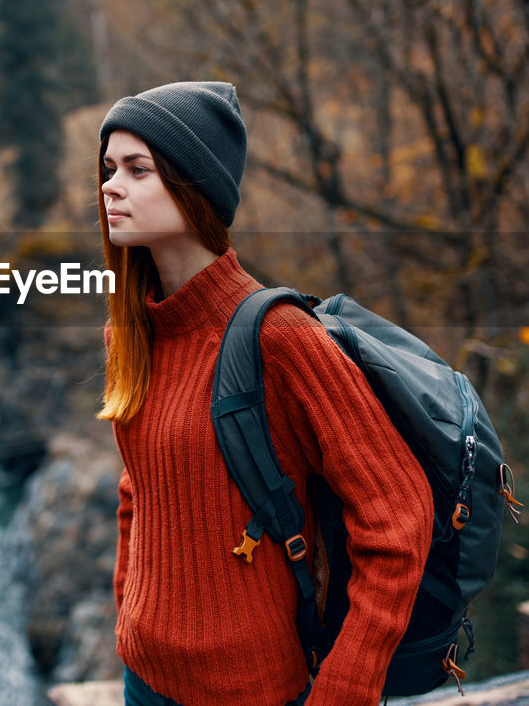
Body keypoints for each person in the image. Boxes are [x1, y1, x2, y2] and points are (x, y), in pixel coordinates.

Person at [96, 80, 434, 706]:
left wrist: (346, 686)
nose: (110, 186)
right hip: (142, 681)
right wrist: (131, 608)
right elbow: (138, 485)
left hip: (247, 691)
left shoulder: (279, 337)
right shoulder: (130, 333)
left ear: (194, 186)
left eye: (137, 169)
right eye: (109, 168)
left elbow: (399, 514)